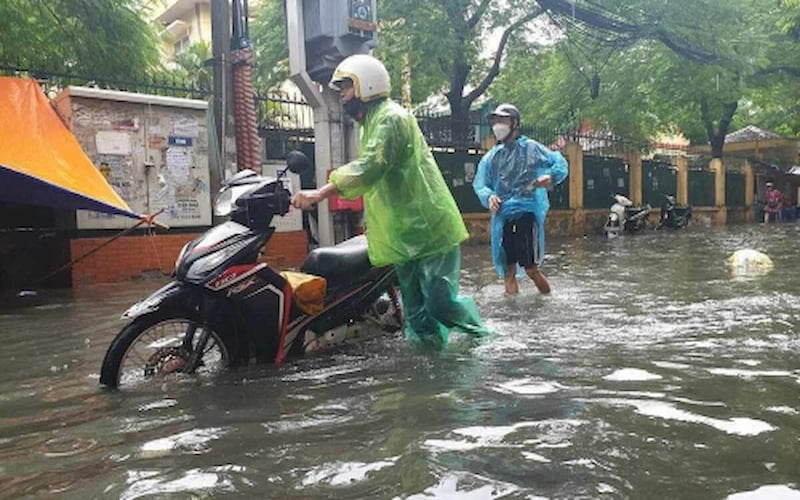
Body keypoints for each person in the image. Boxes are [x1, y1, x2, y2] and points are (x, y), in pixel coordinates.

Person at [291, 54, 488, 350]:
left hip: (429, 227)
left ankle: (484, 340)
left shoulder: (392, 118)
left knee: (440, 303)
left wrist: (321, 193)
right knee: (416, 312)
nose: (342, 96)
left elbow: (371, 166)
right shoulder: (369, 124)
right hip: (401, 234)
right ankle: (430, 367)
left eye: (346, 88)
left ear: (366, 86)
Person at [472, 103, 569, 296]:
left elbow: (559, 163)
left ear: (514, 123)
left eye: (503, 120)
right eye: (495, 120)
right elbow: (480, 184)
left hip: (527, 213)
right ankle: (512, 315)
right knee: (508, 270)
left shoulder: (531, 149)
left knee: (531, 268)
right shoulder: (492, 157)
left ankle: (548, 303)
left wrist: (551, 177)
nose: (497, 125)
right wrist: (489, 196)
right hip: (503, 215)